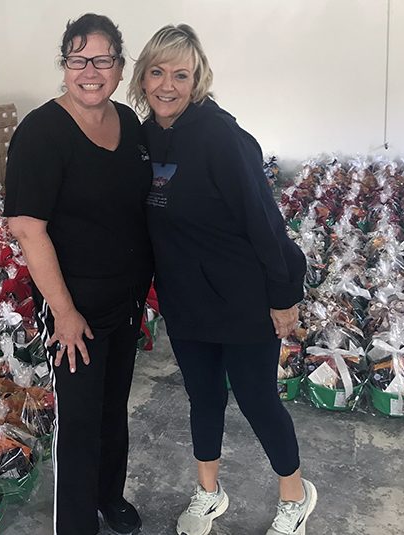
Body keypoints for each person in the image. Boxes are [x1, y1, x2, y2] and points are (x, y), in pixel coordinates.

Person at [128, 24, 317, 535]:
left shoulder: (223, 137)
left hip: (242, 298)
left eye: (181, 75)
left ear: (199, 80)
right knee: (203, 398)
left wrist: (282, 295)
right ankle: (209, 492)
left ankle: (295, 495)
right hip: (185, 300)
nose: (167, 85)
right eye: (157, 72)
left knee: (257, 399)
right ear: (143, 77)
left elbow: (264, 220)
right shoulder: (143, 137)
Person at [3, 13, 153, 535]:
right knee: (80, 420)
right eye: (78, 59)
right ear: (64, 65)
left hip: (126, 298)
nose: (91, 71)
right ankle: (74, 524)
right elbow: (27, 229)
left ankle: (107, 496)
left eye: (103, 59)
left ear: (119, 65)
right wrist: (63, 313)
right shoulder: (41, 133)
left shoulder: (130, 124)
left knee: (114, 408)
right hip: (74, 306)